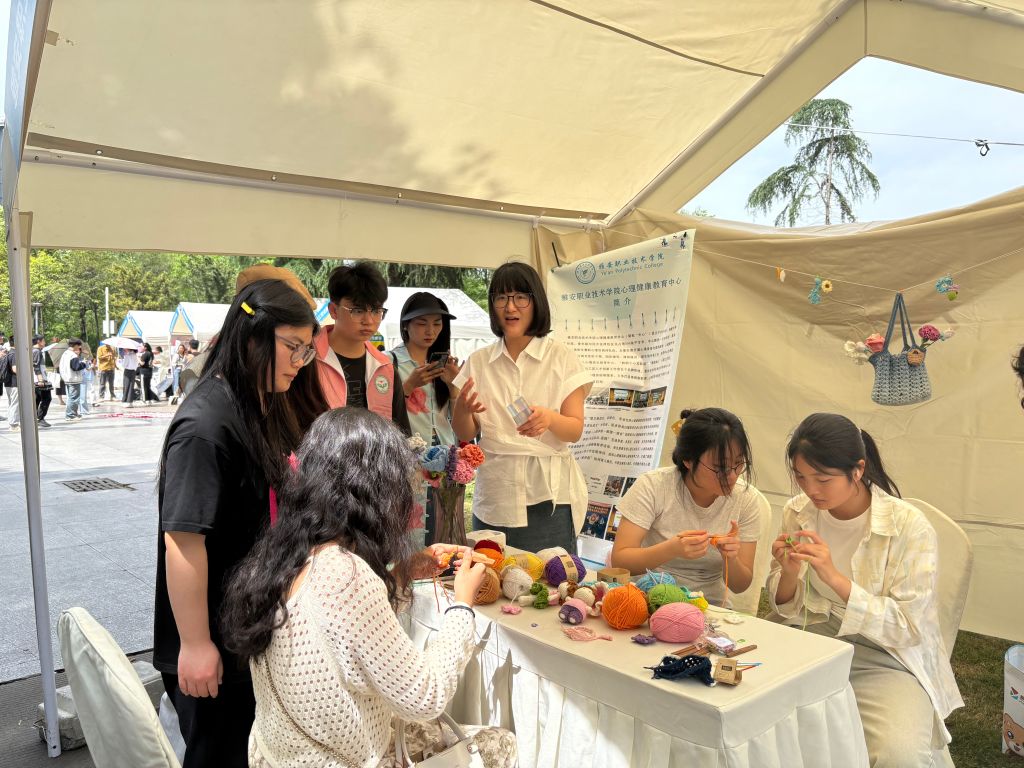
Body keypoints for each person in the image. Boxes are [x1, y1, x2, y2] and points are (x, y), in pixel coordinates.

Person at [221, 407, 516, 768]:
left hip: (276, 755)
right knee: (499, 744)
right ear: (377, 493)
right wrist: (461, 607)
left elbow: (346, 638)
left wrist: (402, 574)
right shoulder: (345, 575)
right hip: (339, 760)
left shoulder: (284, 551)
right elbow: (426, 696)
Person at [154, 280, 327, 768]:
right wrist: (195, 644)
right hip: (211, 636)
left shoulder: (257, 400)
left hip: (245, 626)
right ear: (252, 339)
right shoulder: (205, 426)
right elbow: (183, 542)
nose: (300, 361)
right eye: (293, 347)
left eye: (307, 350)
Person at [767, 413, 963, 764]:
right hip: (811, 639)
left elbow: (907, 627)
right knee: (753, 717)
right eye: (800, 476)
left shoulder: (909, 527)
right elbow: (783, 606)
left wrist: (835, 579)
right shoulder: (798, 512)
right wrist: (789, 574)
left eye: (822, 479)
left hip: (886, 657)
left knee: (897, 753)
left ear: (857, 470)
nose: (810, 490)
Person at [452, 261, 592, 554]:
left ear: (536, 301)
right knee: (490, 574)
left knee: (551, 577)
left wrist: (550, 418)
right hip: (496, 493)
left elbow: (575, 429)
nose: (510, 306)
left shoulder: (561, 357)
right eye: (501, 298)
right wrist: (462, 410)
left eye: (520, 297)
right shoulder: (478, 361)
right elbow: (465, 433)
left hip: (547, 497)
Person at [611, 408, 768, 605]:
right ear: (688, 460)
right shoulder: (654, 486)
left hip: (708, 604)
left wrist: (731, 558)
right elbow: (620, 560)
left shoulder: (746, 499)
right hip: (650, 598)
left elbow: (740, 585)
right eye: (720, 467)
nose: (732, 476)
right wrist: (671, 549)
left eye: (738, 464)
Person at [390, 292, 462, 545]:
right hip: (407, 459)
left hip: (445, 459)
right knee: (409, 531)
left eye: (437, 323)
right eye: (421, 323)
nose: (430, 331)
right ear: (405, 326)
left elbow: (458, 421)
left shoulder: (445, 364)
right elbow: (379, 415)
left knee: (443, 533)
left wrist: (453, 385)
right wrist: (408, 386)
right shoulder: (390, 362)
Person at [313, 262, 411, 434]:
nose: (369, 321)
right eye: (358, 311)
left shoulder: (385, 367)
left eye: (376, 311)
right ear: (333, 310)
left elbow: (400, 431)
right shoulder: (308, 359)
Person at [58, 339, 88, 421]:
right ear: (75, 345)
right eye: (79, 345)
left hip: (67, 378)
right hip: (73, 379)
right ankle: (70, 415)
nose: (79, 347)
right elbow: (76, 367)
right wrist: (83, 363)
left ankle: (73, 413)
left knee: (72, 397)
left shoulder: (65, 354)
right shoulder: (73, 355)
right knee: (74, 398)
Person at [31, 335, 53, 428]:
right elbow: (36, 366)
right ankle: (40, 418)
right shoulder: (36, 351)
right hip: (39, 379)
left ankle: (35, 418)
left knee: (38, 399)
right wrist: (40, 379)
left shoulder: (34, 351)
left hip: (36, 379)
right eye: (43, 341)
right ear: (38, 341)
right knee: (46, 398)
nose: (45, 342)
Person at [1, 339, 19, 432]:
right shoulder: (15, 354)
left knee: (12, 403)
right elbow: (15, 369)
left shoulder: (8, 353)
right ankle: (13, 425)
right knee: (15, 404)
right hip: (14, 383)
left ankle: (12, 422)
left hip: (8, 383)